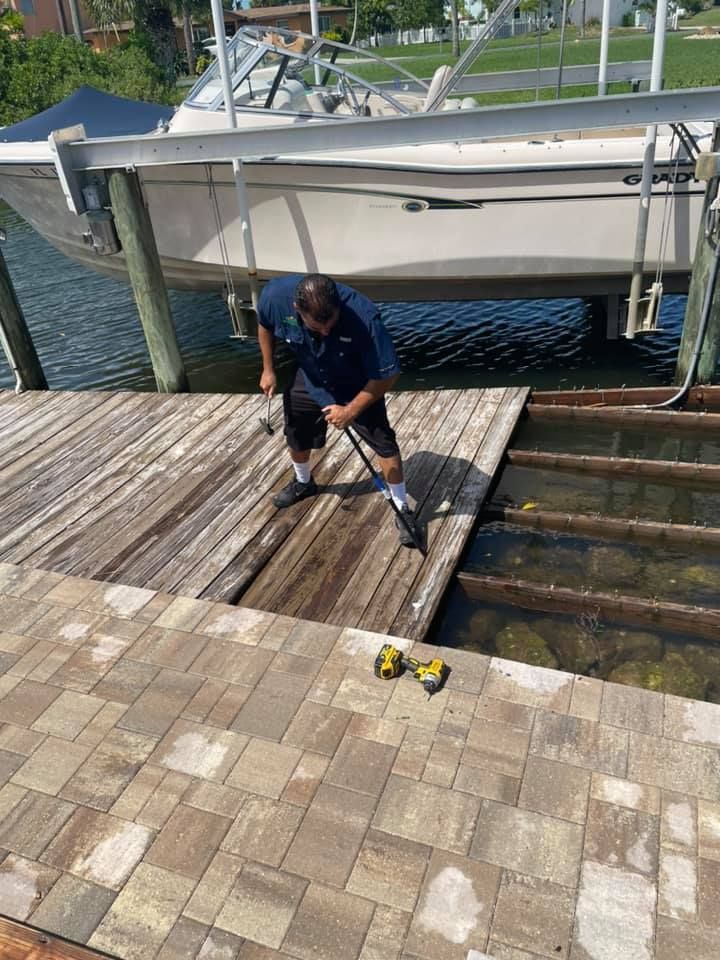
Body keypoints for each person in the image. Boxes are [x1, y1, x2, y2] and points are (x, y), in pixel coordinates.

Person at [257, 273, 421, 548]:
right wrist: (268, 368)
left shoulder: (364, 316)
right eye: (317, 327)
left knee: (383, 442)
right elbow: (264, 324)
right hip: (310, 375)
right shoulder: (274, 297)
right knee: (295, 431)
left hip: (355, 381)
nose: (325, 332)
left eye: (331, 325)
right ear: (297, 309)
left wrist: (351, 410)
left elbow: (387, 375)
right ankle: (303, 482)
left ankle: (403, 507)